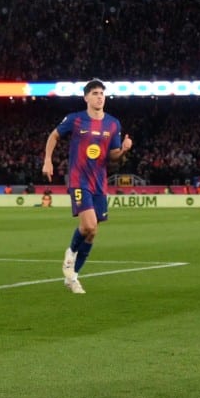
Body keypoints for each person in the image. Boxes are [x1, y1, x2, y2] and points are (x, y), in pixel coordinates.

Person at [43, 79, 132, 295]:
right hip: (79, 179)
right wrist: (48, 160)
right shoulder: (75, 120)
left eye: (102, 93)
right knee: (89, 225)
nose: (99, 96)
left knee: (92, 232)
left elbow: (112, 156)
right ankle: (70, 252)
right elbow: (54, 135)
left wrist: (123, 151)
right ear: (86, 98)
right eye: (95, 93)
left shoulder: (113, 124)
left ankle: (73, 277)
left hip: (99, 182)